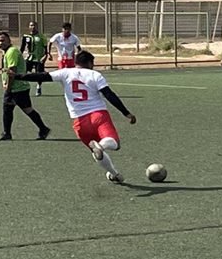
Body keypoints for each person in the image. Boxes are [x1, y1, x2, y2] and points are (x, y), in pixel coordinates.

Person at [13, 49, 136, 183]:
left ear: (76, 62)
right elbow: (109, 95)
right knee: (114, 143)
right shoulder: (95, 74)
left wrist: (18, 76)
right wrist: (126, 113)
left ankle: (114, 174)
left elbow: (40, 76)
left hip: (79, 122)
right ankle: (102, 146)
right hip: (98, 115)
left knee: (96, 153)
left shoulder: (65, 72)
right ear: (90, 63)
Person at [0, 31, 50, 142]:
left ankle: (7, 133)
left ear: (9, 40)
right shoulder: (8, 52)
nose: (1, 43)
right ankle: (43, 129)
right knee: (18, 109)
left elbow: (12, 71)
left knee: (12, 109)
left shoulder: (11, 52)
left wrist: (8, 87)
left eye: (3, 40)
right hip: (19, 87)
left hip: (17, 88)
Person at [20, 20, 49, 96]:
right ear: (29, 27)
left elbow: (46, 48)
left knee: (39, 74)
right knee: (24, 71)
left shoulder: (41, 36)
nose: (32, 27)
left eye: (34, 25)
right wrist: (20, 56)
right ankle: (23, 87)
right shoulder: (26, 36)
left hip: (39, 58)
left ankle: (39, 87)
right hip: (29, 57)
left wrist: (45, 56)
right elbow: (22, 47)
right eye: (31, 25)